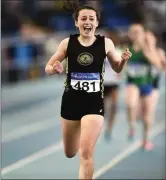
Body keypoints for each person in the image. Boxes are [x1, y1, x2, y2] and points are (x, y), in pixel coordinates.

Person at [45, 2, 132, 179]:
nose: (87, 22)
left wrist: (122, 61)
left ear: (97, 23)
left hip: (94, 104)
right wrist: (54, 69)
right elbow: (48, 67)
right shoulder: (67, 43)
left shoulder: (106, 43)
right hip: (70, 103)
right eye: (83, 18)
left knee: (86, 154)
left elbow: (116, 68)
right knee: (70, 152)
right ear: (76, 23)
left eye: (91, 19)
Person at [126, 23, 163, 150]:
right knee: (131, 105)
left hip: (150, 84)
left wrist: (149, 50)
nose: (136, 35)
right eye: (133, 32)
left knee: (147, 116)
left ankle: (146, 140)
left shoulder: (153, 50)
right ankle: (132, 125)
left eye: (138, 32)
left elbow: (159, 66)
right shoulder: (128, 49)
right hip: (134, 82)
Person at [103, 29, 123, 140]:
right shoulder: (101, 52)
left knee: (114, 107)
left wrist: (121, 73)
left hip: (114, 83)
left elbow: (123, 66)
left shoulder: (118, 51)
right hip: (103, 83)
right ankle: (102, 124)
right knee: (103, 108)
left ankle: (109, 128)